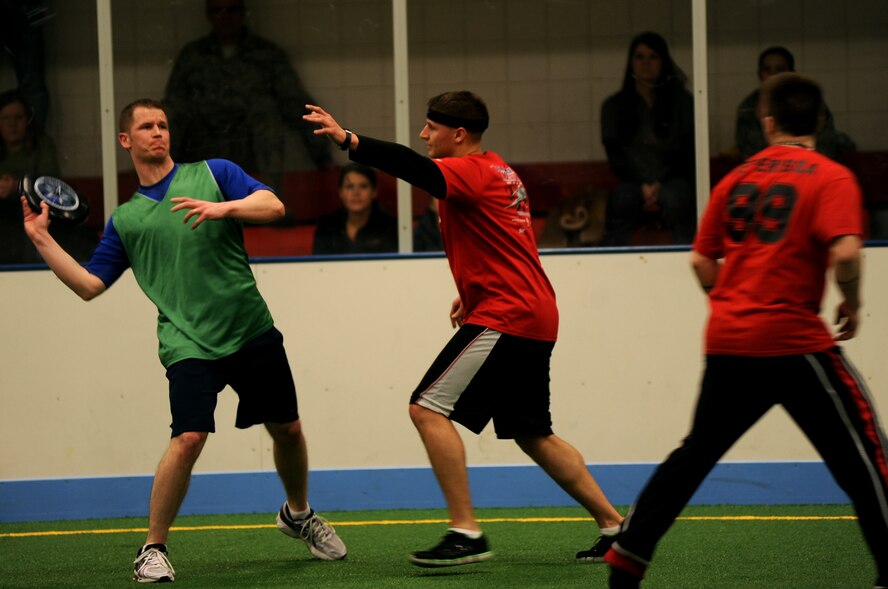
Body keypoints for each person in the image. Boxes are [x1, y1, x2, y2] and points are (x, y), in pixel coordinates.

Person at [20, 98, 346, 583]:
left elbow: (274, 205)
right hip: (187, 344)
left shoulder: (214, 173)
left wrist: (225, 208)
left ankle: (298, 515)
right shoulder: (127, 220)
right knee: (189, 437)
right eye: (146, 127)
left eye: (164, 125)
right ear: (126, 140)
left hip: (250, 328)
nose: (158, 133)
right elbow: (90, 286)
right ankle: (152, 549)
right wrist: (41, 239)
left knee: (289, 431)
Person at [304, 91, 624, 568]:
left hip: (507, 314)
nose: (422, 134)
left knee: (426, 407)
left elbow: (411, 167)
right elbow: (504, 242)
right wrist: (471, 290)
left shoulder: (469, 172)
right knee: (533, 432)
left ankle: (466, 531)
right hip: (530, 311)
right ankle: (616, 528)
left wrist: (350, 139)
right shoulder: (501, 171)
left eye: (430, 127)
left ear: (458, 134)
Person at [604, 74, 888, 588]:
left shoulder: (736, 178)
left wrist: (737, 303)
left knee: (694, 455)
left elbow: (700, 261)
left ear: (768, 122)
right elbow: (845, 251)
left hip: (730, 341)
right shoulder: (831, 176)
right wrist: (851, 297)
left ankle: (628, 552)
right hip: (794, 340)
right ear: (820, 121)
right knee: (866, 454)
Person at [163, 0, 331, 195]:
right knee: (170, 115)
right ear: (208, 15)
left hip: (251, 146)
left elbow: (295, 103)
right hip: (203, 144)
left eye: (231, 10)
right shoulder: (192, 56)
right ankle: (167, 194)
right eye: (218, 11)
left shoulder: (265, 54)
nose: (225, 17)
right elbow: (173, 106)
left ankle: (268, 200)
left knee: (265, 110)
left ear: (243, 12)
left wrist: (322, 156)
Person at [600, 31, 696, 246]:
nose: (646, 63)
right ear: (631, 62)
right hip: (632, 183)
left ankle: (686, 260)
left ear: (663, 61)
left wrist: (660, 184)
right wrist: (642, 185)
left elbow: (688, 151)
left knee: (677, 199)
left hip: (673, 181)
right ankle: (615, 266)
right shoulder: (614, 106)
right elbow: (616, 156)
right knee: (621, 199)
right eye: (639, 57)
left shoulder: (682, 103)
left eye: (653, 57)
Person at [735, 46, 855, 162]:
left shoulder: (809, 101)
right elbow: (749, 155)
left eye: (779, 69)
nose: (773, 75)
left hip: (809, 169)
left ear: (791, 72)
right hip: (766, 173)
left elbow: (826, 147)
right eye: (767, 69)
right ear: (760, 74)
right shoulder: (748, 108)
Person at [312, 162, 398, 255]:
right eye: (350, 187)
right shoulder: (327, 228)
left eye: (363, 186)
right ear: (341, 192)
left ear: (374, 192)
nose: (356, 192)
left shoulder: (390, 228)